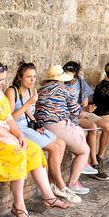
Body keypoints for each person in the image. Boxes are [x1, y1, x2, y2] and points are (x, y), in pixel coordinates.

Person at [0, 58, 72, 217]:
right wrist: (12, 139)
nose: (3, 83)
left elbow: (8, 119)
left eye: (4, 79)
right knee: (17, 152)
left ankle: (48, 196)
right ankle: (19, 207)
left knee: (33, 148)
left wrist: (19, 134)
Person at [5, 62, 79, 203]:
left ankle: (52, 184)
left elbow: (29, 114)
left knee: (61, 143)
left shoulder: (31, 91)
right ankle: (61, 186)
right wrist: (28, 103)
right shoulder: (12, 91)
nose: (32, 80)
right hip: (17, 129)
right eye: (28, 77)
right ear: (20, 77)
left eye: (34, 76)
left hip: (28, 126)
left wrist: (37, 125)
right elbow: (10, 118)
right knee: (53, 147)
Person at [34, 65, 94, 195]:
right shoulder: (65, 89)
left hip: (42, 126)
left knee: (77, 132)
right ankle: (73, 183)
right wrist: (81, 112)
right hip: (58, 125)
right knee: (85, 151)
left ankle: (52, 184)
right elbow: (75, 111)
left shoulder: (40, 90)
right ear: (61, 79)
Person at [62, 60, 105, 178]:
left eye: (70, 73)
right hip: (71, 115)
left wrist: (86, 109)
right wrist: (80, 111)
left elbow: (85, 103)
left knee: (104, 127)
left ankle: (95, 160)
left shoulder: (81, 82)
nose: (68, 76)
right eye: (66, 72)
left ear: (76, 74)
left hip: (81, 112)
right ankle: (94, 162)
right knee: (92, 127)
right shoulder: (61, 84)